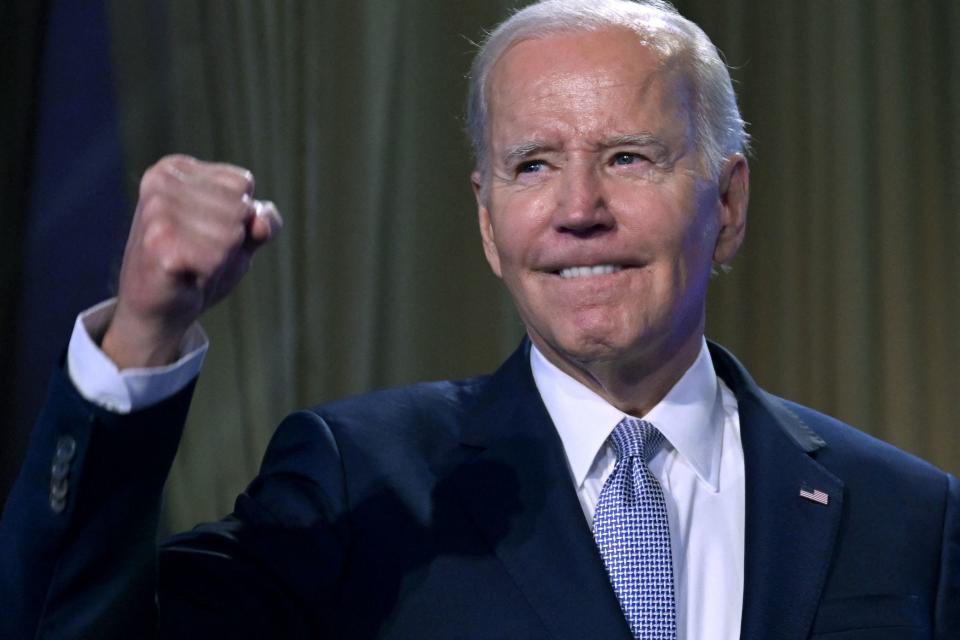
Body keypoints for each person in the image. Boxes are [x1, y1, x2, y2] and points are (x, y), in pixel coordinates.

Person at [1, 0, 957, 638]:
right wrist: (140, 339)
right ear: (489, 221)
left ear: (730, 203)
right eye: (532, 165)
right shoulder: (361, 486)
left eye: (628, 156)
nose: (578, 207)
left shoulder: (909, 517)